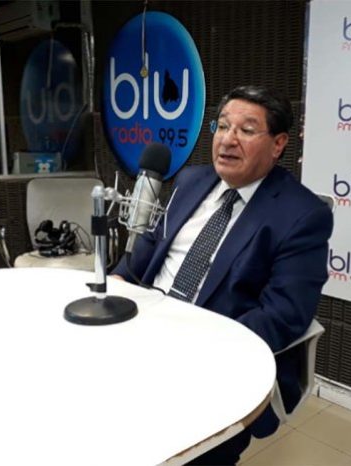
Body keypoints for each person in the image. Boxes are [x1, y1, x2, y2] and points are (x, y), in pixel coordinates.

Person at [112, 85, 333, 464]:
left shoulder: (303, 215)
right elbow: (147, 247)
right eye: (223, 126)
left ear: (278, 144)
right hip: (144, 330)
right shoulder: (190, 181)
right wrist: (118, 281)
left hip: (211, 358)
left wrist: (196, 343)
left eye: (247, 130)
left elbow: (284, 315)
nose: (228, 140)